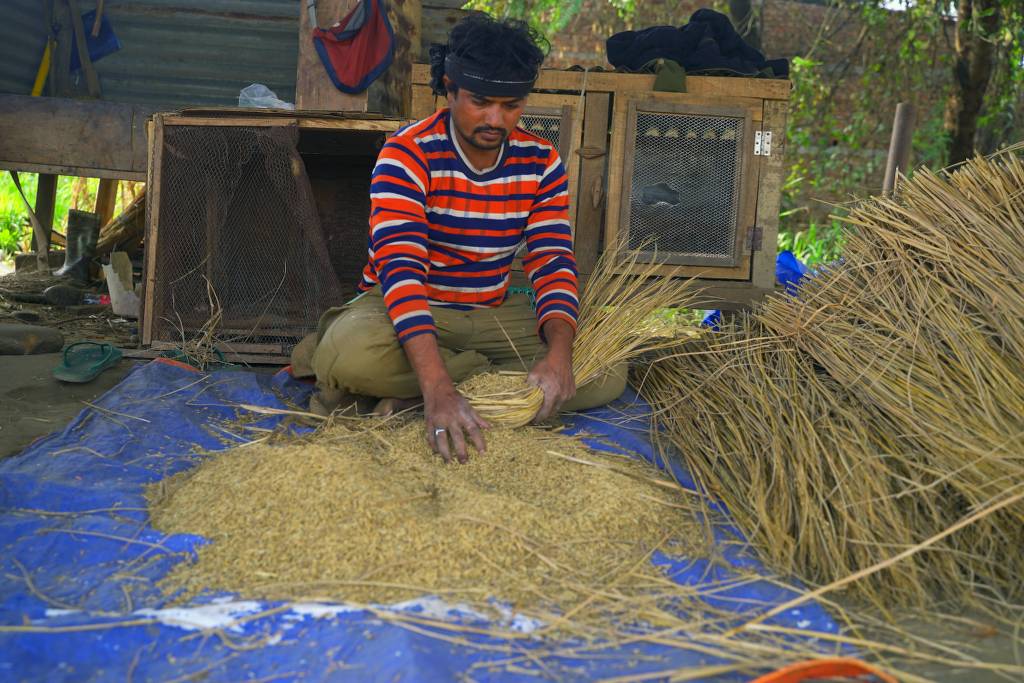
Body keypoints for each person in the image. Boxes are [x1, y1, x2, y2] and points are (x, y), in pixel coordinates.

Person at [291, 13, 626, 462]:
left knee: (607, 371)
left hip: (492, 310)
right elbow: (402, 272)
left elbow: (552, 262)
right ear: (449, 88)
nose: (495, 118)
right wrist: (439, 387)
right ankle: (455, 388)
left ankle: (413, 397)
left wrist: (560, 354)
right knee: (348, 355)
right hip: (410, 305)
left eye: (511, 105)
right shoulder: (406, 153)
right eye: (481, 101)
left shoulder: (541, 161)